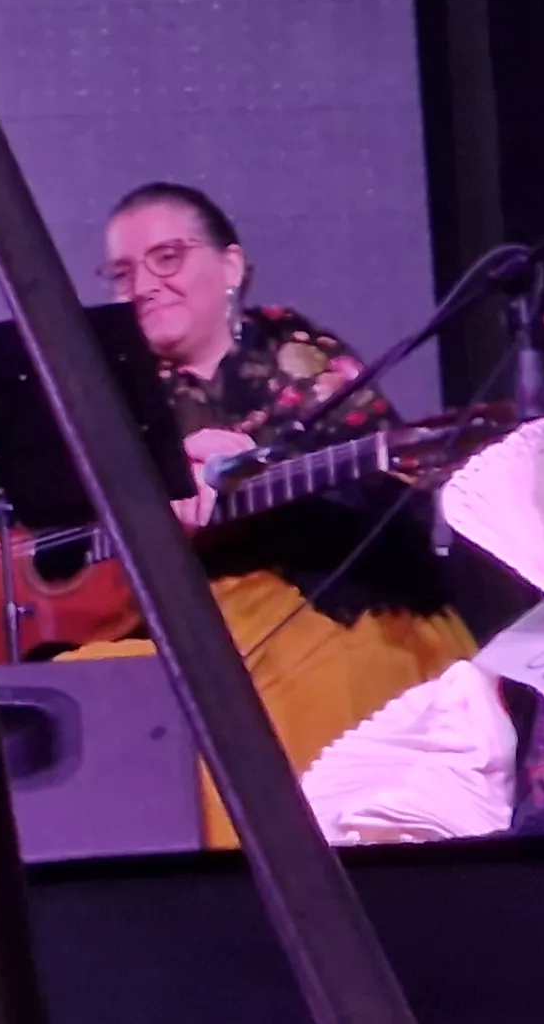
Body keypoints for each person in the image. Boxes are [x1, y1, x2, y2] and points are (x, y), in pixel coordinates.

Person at [74, 182, 474, 845]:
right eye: (124, 272)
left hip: (320, 599)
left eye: (167, 257)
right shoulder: (108, 385)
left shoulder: (295, 353)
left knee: (296, 693)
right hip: (168, 611)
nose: (144, 284)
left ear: (231, 266)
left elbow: (380, 497)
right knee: (79, 697)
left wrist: (251, 467)